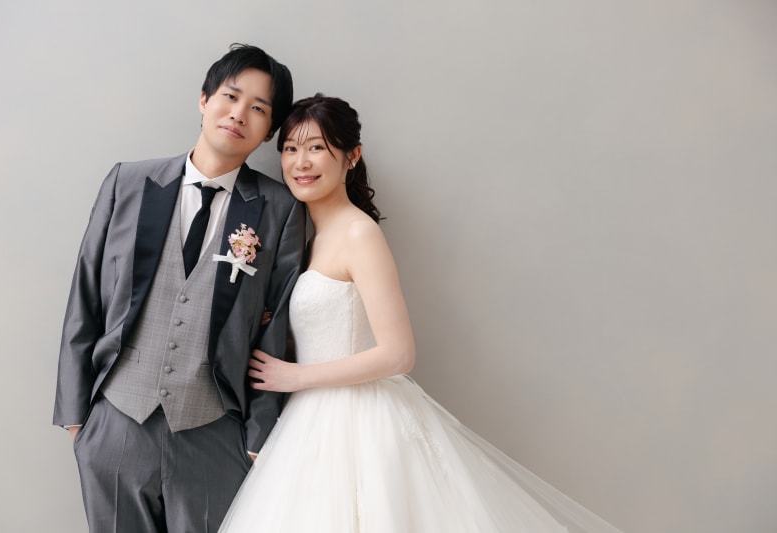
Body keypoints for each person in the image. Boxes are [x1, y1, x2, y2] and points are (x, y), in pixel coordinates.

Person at [218, 94, 622, 533]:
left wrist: (297, 376)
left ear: (352, 156)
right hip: (309, 418)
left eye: (317, 147)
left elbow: (398, 354)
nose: (301, 162)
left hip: (357, 418)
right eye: (291, 149)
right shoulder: (310, 238)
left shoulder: (359, 234)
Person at [53, 44, 306, 532]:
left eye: (258, 108)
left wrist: (257, 439)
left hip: (216, 435)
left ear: (270, 130)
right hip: (115, 424)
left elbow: (278, 328)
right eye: (230, 96)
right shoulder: (127, 182)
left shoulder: (280, 209)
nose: (239, 114)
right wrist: (76, 419)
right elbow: (84, 296)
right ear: (204, 99)